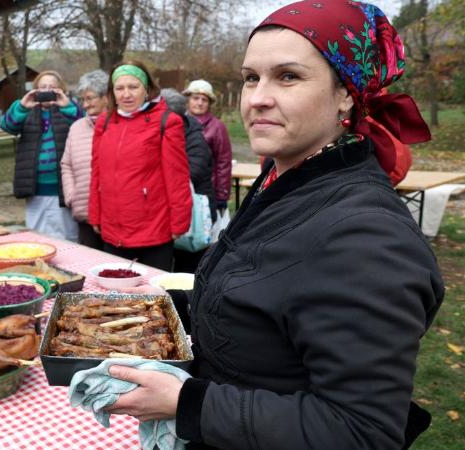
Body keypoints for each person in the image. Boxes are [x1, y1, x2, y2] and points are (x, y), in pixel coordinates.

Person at [103, 2, 443, 449]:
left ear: (346, 93)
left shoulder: (367, 238)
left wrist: (188, 403)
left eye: (288, 76)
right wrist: (165, 304)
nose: (258, 96)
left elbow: (361, 431)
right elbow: (264, 292)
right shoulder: (286, 175)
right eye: (251, 77)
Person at [88, 61, 192, 271]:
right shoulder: (104, 122)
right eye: (120, 88)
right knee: (115, 296)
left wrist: (179, 222)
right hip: (113, 229)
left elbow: (177, 177)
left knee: (152, 296)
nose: (126, 94)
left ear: (146, 89)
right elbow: (96, 173)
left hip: (154, 229)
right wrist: (94, 214)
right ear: (112, 92)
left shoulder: (167, 122)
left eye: (133, 87)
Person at [1, 70, 81, 241]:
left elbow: (84, 125)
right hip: (34, 188)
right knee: (36, 237)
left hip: (63, 187)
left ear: (61, 90)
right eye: (42, 87)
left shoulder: (67, 109)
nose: (46, 91)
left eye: (52, 87)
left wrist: (66, 106)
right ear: (35, 90)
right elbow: (7, 126)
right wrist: (22, 106)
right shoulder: (26, 110)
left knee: (67, 236)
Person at [162, 87, 215, 272]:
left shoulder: (194, 137)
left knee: (189, 264)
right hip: (175, 210)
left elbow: (193, 171)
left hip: (195, 210)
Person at [60, 70, 109, 250]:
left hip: (114, 214)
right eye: (82, 100)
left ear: (106, 97)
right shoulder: (76, 127)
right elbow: (66, 165)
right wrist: (71, 195)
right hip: (84, 209)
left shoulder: (119, 125)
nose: (85, 104)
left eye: (90, 98)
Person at [182, 79, 232, 218]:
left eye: (204, 100)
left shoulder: (217, 127)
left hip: (206, 191)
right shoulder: (178, 122)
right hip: (182, 187)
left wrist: (222, 195)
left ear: (209, 103)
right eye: (195, 98)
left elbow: (223, 162)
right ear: (188, 100)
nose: (199, 103)